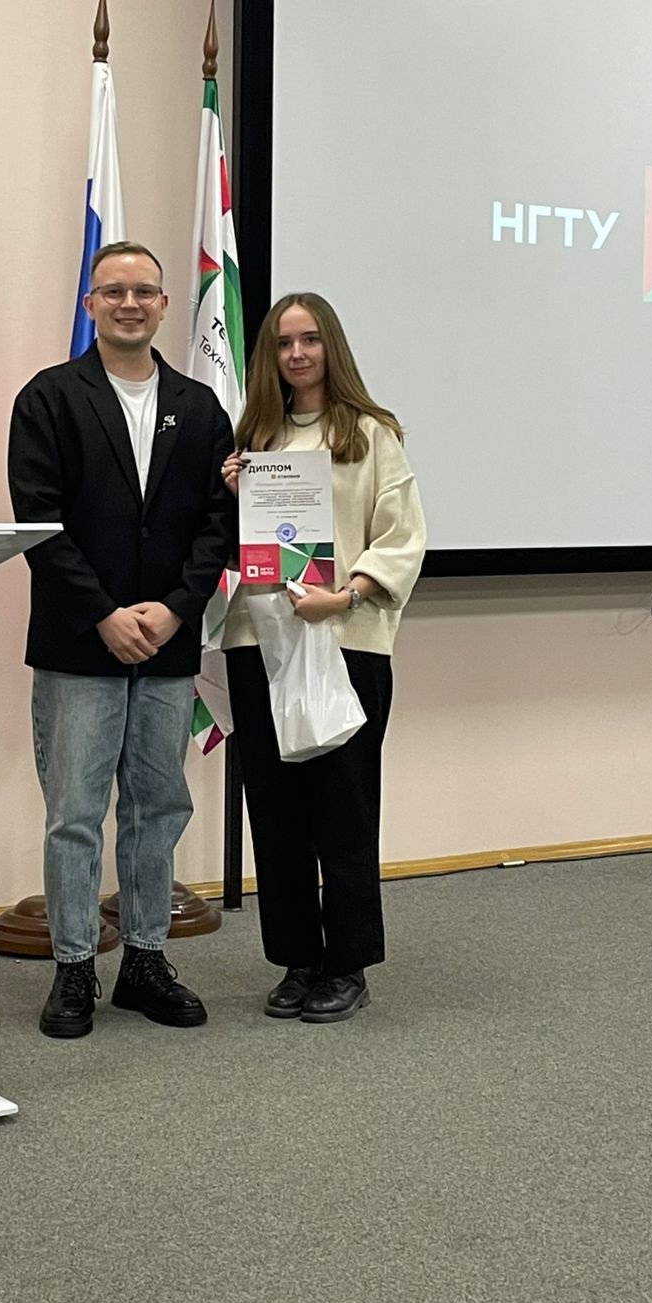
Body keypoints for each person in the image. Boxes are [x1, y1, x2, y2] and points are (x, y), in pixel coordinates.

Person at [9, 241, 235, 1038]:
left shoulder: (200, 408)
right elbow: (37, 522)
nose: (129, 304)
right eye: (113, 291)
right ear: (91, 304)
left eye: (144, 291)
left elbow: (219, 524)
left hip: (168, 642)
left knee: (157, 805)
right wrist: (105, 614)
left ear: (166, 306)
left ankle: (144, 959)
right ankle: (75, 965)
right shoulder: (48, 397)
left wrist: (174, 610)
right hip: (80, 641)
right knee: (75, 811)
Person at [221, 293, 426, 1023]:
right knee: (275, 811)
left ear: (330, 347)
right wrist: (234, 496)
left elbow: (402, 535)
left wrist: (344, 596)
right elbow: (235, 548)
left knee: (343, 810)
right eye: (283, 343)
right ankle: (297, 959)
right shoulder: (255, 438)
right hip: (261, 642)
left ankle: (347, 965)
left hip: (345, 641)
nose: (297, 354)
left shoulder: (370, 434)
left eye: (309, 340)